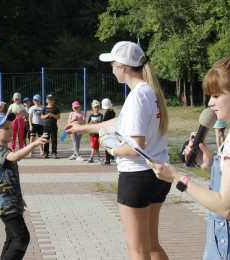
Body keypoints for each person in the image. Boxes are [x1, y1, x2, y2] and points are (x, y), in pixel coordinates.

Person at [147, 48, 230, 259]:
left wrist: (177, 178)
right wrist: (211, 165)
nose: (210, 103)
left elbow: (227, 207)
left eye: (216, 95)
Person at [66, 41, 170, 259]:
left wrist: (113, 150)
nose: (111, 70)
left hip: (137, 176)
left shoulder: (136, 97)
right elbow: (118, 125)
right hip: (159, 174)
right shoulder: (149, 92)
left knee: (138, 250)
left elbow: (135, 148)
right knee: (152, 246)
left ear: (122, 67)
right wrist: (83, 128)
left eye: (112, 64)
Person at [0, 112, 50, 260]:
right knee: (22, 237)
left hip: (13, 202)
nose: (11, 131)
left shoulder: (6, 150)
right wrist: (34, 143)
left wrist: (19, 198)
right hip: (5, 204)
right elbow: (15, 157)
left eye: (11, 127)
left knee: (11, 239)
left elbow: (10, 178)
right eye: (6, 128)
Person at [41, 94, 60, 159]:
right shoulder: (44, 108)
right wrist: (47, 116)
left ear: (53, 100)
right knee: (46, 140)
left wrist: (52, 115)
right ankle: (46, 153)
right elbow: (42, 117)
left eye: (51, 100)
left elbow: (58, 117)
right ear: (46, 100)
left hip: (54, 126)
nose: (50, 101)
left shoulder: (56, 108)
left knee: (54, 140)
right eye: (49, 100)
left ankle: (54, 153)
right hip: (46, 126)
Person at [101, 98, 116, 165]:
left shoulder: (107, 113)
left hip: (107, 131)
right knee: (111, 145)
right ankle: (112, 157)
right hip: (112, 130)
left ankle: (107, 161)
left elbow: (104, 122)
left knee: (107, 146)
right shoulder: (113, 112)